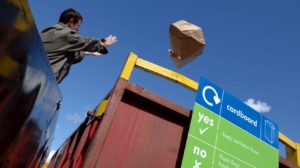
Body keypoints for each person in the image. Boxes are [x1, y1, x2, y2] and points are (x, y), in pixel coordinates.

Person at [41, 8, 117, 83]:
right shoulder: (67, 35)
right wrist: (103, 43)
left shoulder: (48, 31)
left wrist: (89, 53)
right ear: (71, 22)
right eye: (78, 26)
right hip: (42, 81)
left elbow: (69, 55)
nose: (77, 30)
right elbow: (86, 42)